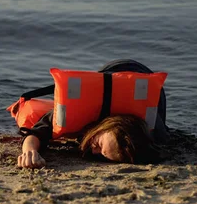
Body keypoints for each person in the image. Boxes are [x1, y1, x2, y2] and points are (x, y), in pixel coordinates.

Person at [15, 59, 169, 168]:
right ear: (106, 126)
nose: (93, 151)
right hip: (116, 72)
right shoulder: (87, 111)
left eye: (101, 155)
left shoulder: (153, 134)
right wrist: (29, 152)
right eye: (99, 145)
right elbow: (35, 133)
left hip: (145, 91)